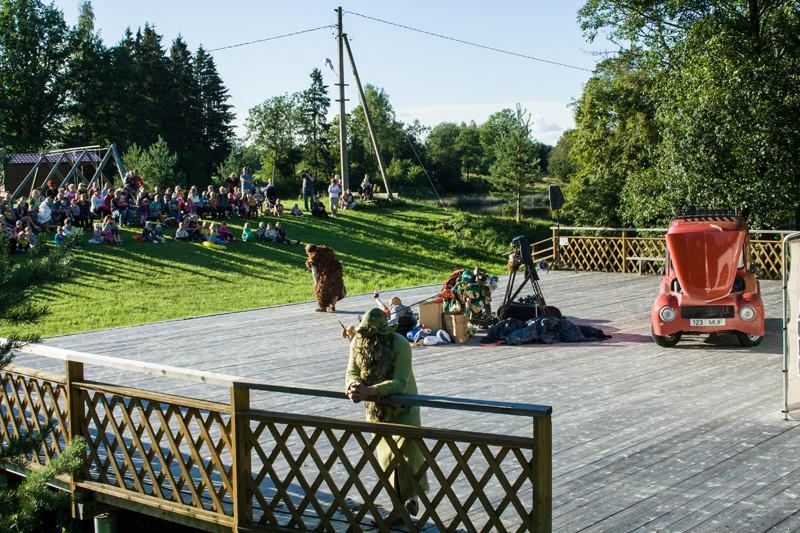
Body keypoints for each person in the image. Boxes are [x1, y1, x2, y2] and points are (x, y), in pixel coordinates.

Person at [345, 308, 429, 521]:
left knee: (409, 456)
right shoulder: (357, 343)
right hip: (376, 410)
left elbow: (400, 381)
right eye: (366, 334)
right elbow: (352, 371)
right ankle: (398, 507)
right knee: (386, 459)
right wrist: (353, 386)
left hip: (404, 407)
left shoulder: (400, 344)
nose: (369, 338)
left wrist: (370, 391)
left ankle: (410, 497)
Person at [305, 244, 346, 312]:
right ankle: (332, 306)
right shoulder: (326, 252)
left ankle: (322, 307)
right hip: (336, 269)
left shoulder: (312, 259)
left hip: (326, 274)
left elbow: (314, 273)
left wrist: (316, 283)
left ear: (309, 252)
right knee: (335, 288)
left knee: (321, 291)